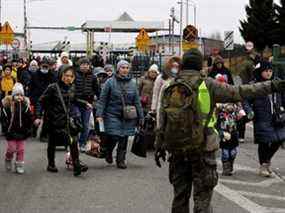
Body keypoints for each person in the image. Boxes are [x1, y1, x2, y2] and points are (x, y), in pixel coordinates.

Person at [154, 48, 285, 213]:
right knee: (202, 198)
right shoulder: (208, 84)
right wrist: (272, 85)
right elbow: (241, 91)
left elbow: (162, 119)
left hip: (177, 149)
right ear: (200, 64)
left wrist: (159, 144)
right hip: (203, 148)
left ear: (183, 64)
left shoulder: (170, 86)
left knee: (179, 197)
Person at [40, 65, 88, 176]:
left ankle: (76, 165)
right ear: (61, 75)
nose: (68, 78)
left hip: (67, 120)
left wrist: (85, 103)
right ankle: (51, 164)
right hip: (54, 120)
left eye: (71, 76)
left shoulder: (72, 87)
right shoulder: (53, 87)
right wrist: (44, 114)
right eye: (66, 75)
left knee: (73, 140)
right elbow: (42, 101)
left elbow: (73, 99)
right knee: (52, 143)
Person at [96, 60, 144, 169]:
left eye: (127, 68)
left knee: (124, 137)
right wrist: (99, 114)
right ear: (118, 69)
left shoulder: (133, 84)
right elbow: (102, 100)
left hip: (128, 115)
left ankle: (121, 159)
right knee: (114, 135)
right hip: (112, 114)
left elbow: (137, 101)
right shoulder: (110, 82)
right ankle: (108, 152)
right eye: (122, 67)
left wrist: (141, 116)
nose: (125, 70)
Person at [243, 61, 285, 177]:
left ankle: (266, 161)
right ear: (260, 71)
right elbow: (246, 100)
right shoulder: (254, 85)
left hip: (277, 116)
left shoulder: (276, 83)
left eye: (270, 71)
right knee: (264, 142)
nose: (268, 73)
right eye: (266, 71)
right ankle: (263, 165)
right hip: (261, 117)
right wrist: (249, 111)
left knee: (279, 139)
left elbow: (282, 96)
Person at [2, 83, 32, 174]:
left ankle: (19, 165)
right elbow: (4, 118)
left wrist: (29, 129)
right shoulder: (8, 107)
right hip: (11, 132)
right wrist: (6, 129)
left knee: (21, 150)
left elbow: (29, 119)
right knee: (11, 149)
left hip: (22, 132)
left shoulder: (26, 107)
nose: (19, 97)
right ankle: (8, 158)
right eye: (17, 95)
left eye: (21, 95)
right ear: (13, 95)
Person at [74, 57, 100, 152]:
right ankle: (73, 143)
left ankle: (82, 143)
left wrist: (99, 99)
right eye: (83, 64)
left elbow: (97, 90)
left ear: (89, 66)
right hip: (76, 103)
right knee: (76, 123)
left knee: (86, 125)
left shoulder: (93, 77)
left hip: (88, 104)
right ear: (79, 65)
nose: (85, 66)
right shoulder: (74, 75)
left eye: (86, 64)